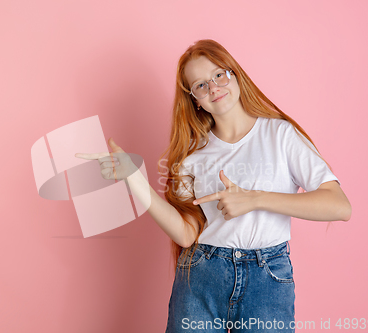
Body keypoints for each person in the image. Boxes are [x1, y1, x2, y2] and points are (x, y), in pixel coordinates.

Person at [76, 39, 352, 333]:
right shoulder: (191, 156)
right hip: (201, 277)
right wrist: (134, 179)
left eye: (219, 75)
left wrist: (255, 199)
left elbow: (339, 205)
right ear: (195, 98)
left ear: (234, 74)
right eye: (200, 85)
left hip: (268, 278)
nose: (214, 88)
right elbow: (186, 234)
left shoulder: (281, 135)